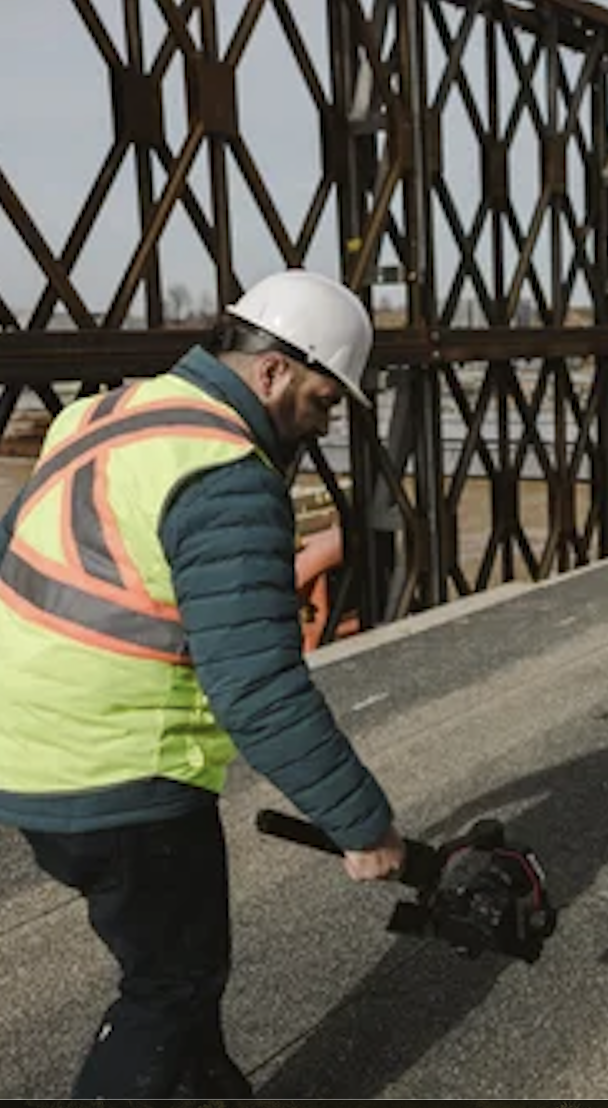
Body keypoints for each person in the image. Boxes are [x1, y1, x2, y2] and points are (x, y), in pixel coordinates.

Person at [0, 269, 407, 1098]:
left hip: (24, 751)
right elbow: (256, 684)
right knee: (169, 986)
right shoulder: (226, 467)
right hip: (124, 772)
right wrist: (362, 824)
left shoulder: (98, 414)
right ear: (272, 372)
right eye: (324, 402)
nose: (322, 426)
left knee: (182, 965)